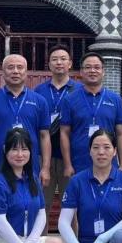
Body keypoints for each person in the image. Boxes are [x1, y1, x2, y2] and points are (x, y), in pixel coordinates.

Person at [0, 54, 51, 186]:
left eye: (20, 67)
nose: (15, 71)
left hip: (30, 167)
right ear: (3, 72)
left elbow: (45, 136)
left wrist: (45, 168)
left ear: (26, 72)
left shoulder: (39, 101)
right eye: (10, 67)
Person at [60, 51, 122, 176]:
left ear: (103, 71)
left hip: (109, 163)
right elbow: (64, 133)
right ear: (81, 72)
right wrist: (68, 165)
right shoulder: (69, 100)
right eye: (88, 67)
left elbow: (121, 133)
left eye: (97, 67)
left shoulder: (115, 99)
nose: (92, 71)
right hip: (79, 163)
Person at [33, 44, 78, 208]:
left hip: (71, 157)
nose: (59, 62)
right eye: (55, 59)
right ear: (49, 64)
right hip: (43, 156)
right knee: (41, 205)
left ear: (70, 64)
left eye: (63, 59)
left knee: (72, 206)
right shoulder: (38, 91)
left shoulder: (79, 90)